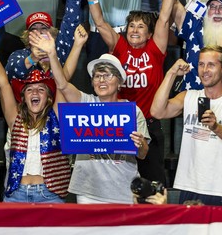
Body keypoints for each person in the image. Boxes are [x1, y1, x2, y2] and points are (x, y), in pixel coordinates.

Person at [84, 0, 177, 183]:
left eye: (141, 26)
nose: (135, 29)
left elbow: (164, 18)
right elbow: (100, 22)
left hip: (150, 125)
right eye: (131, 25)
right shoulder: (119, 45)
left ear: (149, 33)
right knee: (119, 183)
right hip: (120, 123)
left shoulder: (156, 49)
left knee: (153, 185)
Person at [42, 33, 151, 203]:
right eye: (97, 76)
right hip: (88, 191)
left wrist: (141, 142)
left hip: (123, 190)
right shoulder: (85, 103)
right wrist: (52, 54)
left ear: (120, 81)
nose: (101, 80)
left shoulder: (132, 111)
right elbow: (62, 84)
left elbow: (143, 154)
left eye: (107, 75)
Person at [0, 27, 79, 203]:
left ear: (49, 96)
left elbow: (63, 81)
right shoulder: (15, 117)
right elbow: (3, 83)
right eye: (29, 89)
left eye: (41, 89)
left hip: (50, 195)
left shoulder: (57, 115)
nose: (35, 92)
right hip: (15, 195)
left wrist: (57, 51)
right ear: (23, 97)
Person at [150, 47, 222, 206]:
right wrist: (171, 73)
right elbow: (157, 111)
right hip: (189, 186)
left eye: (211, 65)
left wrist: (216, 127)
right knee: (189, 232)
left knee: (220, 233)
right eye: (201, 64)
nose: (205, 70)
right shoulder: (189, 96)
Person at [5, 0, 82, 81]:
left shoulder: (60, 49)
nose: (39, 32)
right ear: (27, 36)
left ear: (53, 33)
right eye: (34, 29)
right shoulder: (19, 55)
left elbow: (71, 18)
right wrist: (31, 59)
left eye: (44, 28)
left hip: (61, 95)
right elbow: (10, 73)